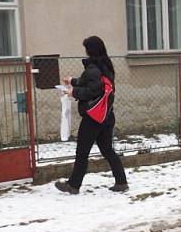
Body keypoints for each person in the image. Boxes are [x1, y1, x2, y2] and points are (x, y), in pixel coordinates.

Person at [54, 36, 128, 194]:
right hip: (106, 115)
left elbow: (91, 91)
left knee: (82, 151)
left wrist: (74, 92)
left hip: (93, 119)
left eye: (86, 48)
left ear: (90, 50)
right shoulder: (105, 66)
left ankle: (73, 185)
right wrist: (73, 81)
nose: (85, 51)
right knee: (107, 150)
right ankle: (121, 182)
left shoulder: (93, 68)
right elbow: (93, 84)